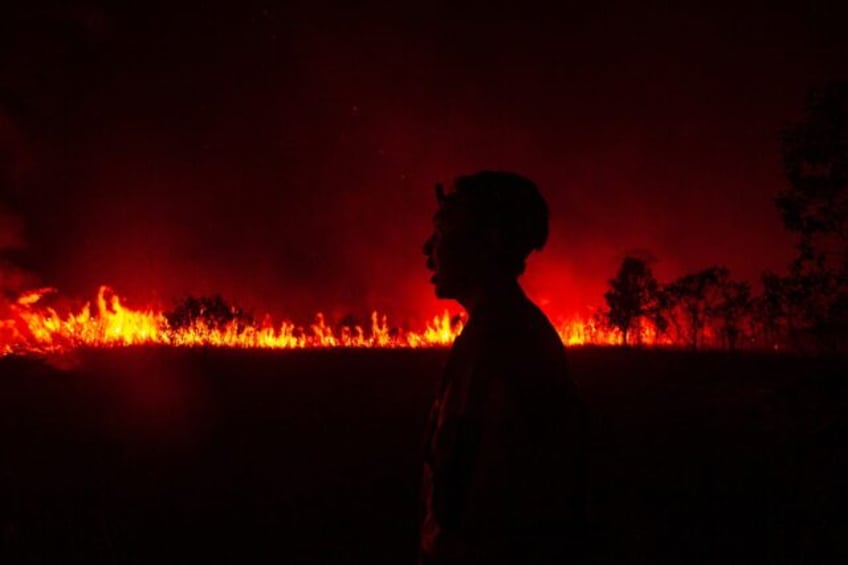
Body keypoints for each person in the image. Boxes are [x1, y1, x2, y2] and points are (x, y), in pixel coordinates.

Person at [419, 171, 588, 564]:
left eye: (444, 231)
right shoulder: (497, 331)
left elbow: (467, 490)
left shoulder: (502, 341)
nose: (429, 248)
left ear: (489, 241)